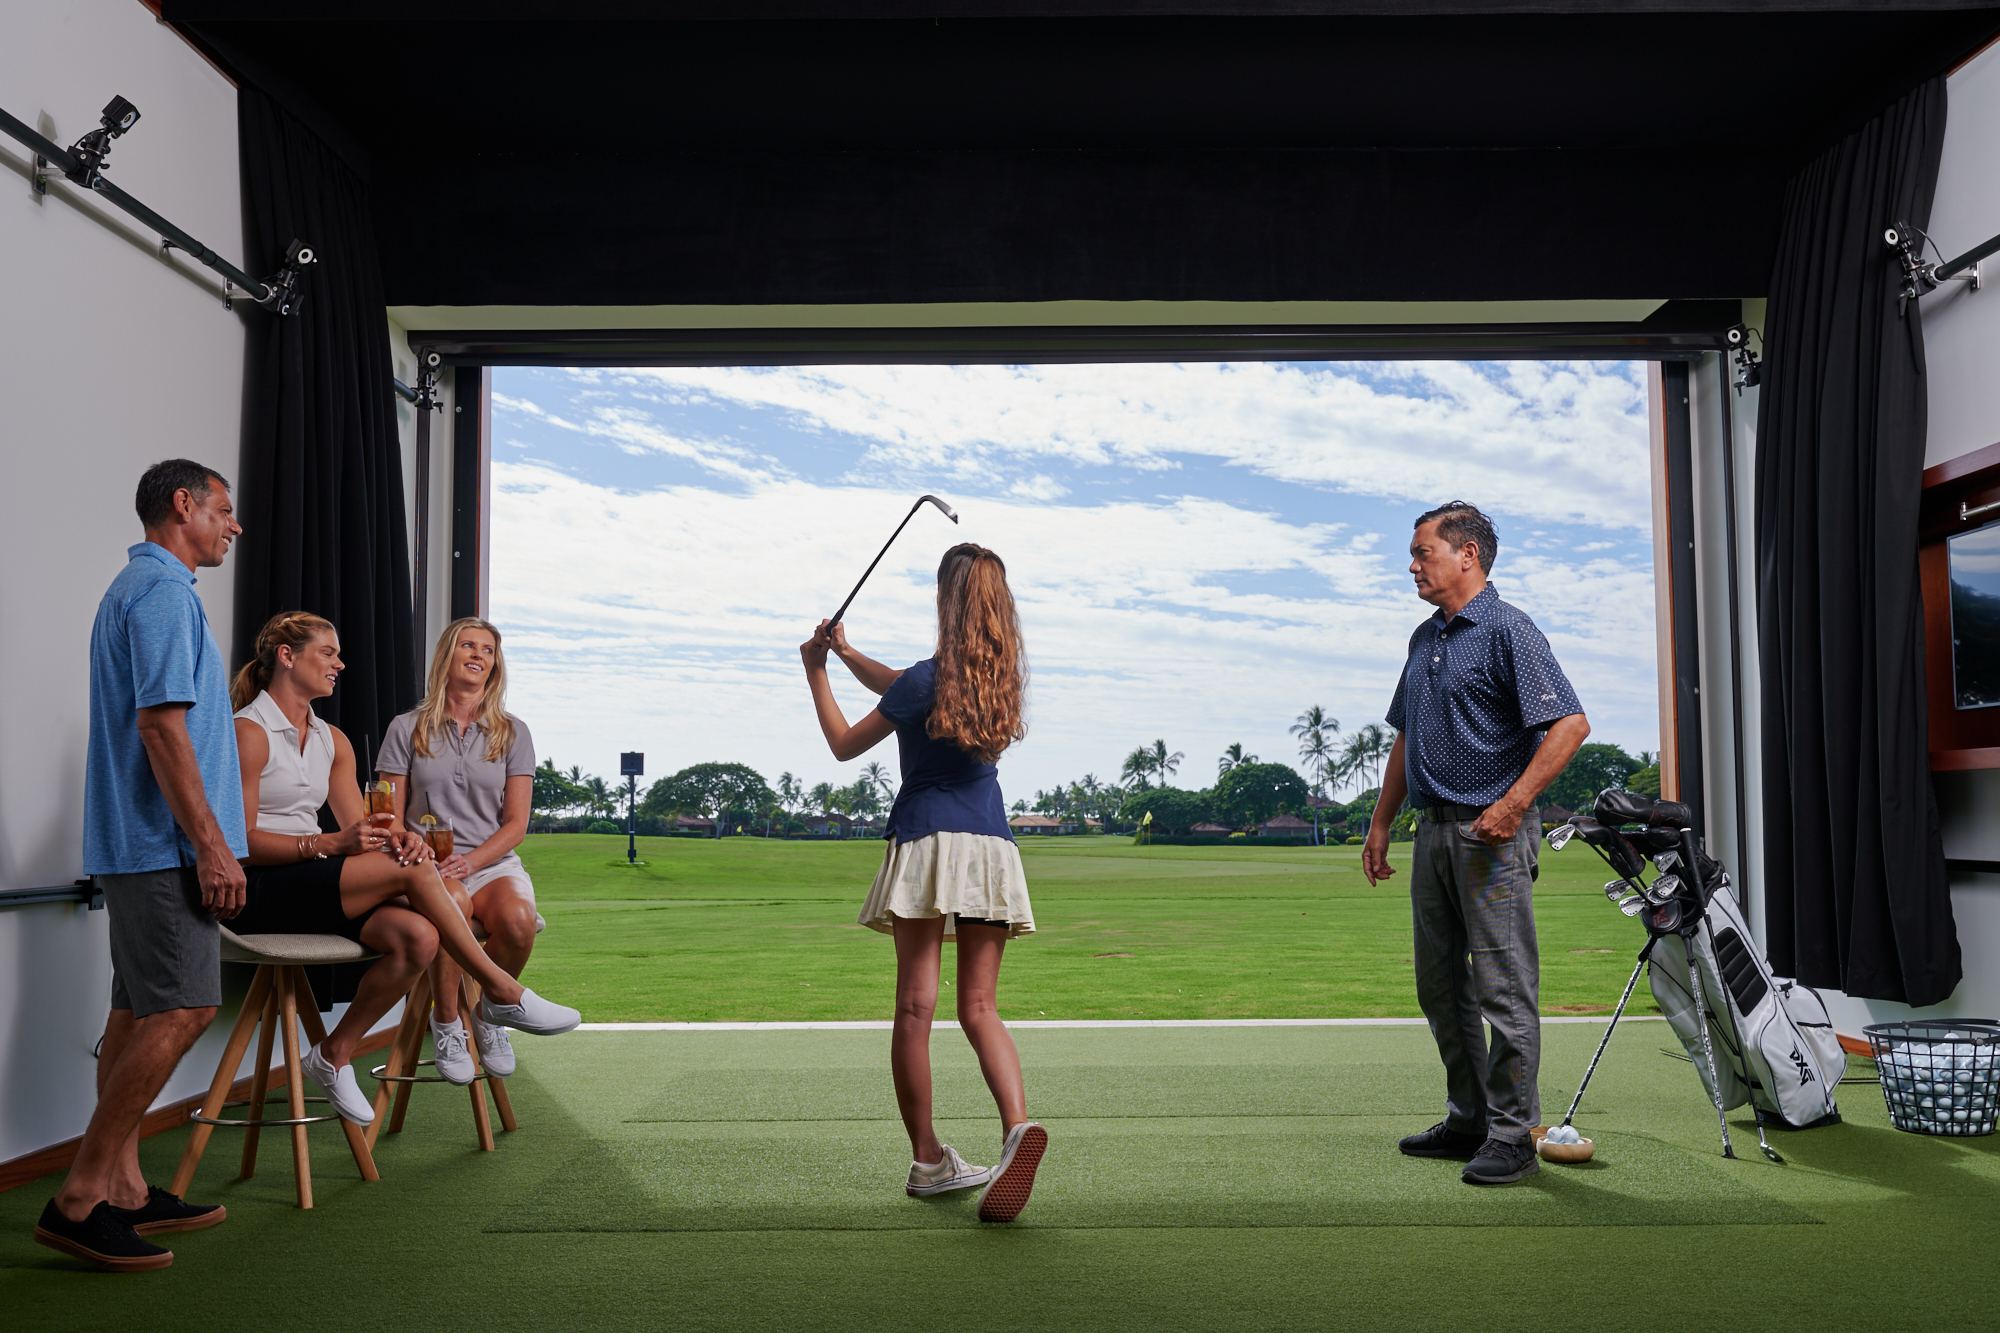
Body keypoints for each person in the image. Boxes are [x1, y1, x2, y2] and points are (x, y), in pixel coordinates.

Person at [227, 611, 569, 1123]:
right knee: (417, 875)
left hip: (315, 883)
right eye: (329, 653)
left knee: (420, 938)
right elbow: (239, 845)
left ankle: (331, 1055)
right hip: (260, 888)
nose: (340, 664)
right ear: (286, 656)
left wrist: (399, 839)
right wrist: (330, 843)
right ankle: (503, 990)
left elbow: (367, 830)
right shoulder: (248, 732)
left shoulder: (332, 740)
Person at [39, 460, 246, 1272]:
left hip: (141, 847)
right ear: (184, 505)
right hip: (163, 849)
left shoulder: (136, 590)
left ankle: (123, 1185)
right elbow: (163, 729)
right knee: (185, 1008)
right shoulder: (163, 593)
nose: (233, 526)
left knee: (134, 1012)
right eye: (224, 511)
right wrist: (211, 844)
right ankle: (81, 1196)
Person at [800, 542, 1047, 1224]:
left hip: (927, 840)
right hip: (991, 846)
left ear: (946, 600)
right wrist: (851, 655)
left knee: (915, 1007)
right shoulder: (998, 680)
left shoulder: (921, 681)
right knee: (981, 1008)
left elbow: (846, 743)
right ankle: (1017, 1127)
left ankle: (928, 1157)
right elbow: (906, 690)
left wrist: (816, 668)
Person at [1363, 501, 1590, 1186]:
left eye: (1422, 552)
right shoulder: (1423, 638)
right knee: (1439, 986)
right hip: (1433, 832)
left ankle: (1514, 1133)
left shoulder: (1508, 630)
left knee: (1502, 987)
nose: (1412, 565)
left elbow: (1570, 725)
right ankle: (1469, 1119)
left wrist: (1514, 804)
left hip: (1493, 836)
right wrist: (1380, 822)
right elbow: (1407, 733)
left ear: (1467, 554)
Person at [377, 618, 543, 1084]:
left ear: (495, 665)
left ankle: (491, 1018)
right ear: (447, 656)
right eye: (467, 645)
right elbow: (388, 814)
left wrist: (472, 860)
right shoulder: (406, 727)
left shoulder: (513, 733)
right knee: (453, 902)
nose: (478, 654)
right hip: (426, 866)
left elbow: (516, 825)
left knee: (519, 921)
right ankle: (448, 1022)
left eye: (487, 650)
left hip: (490, 863)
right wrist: (413, 850)